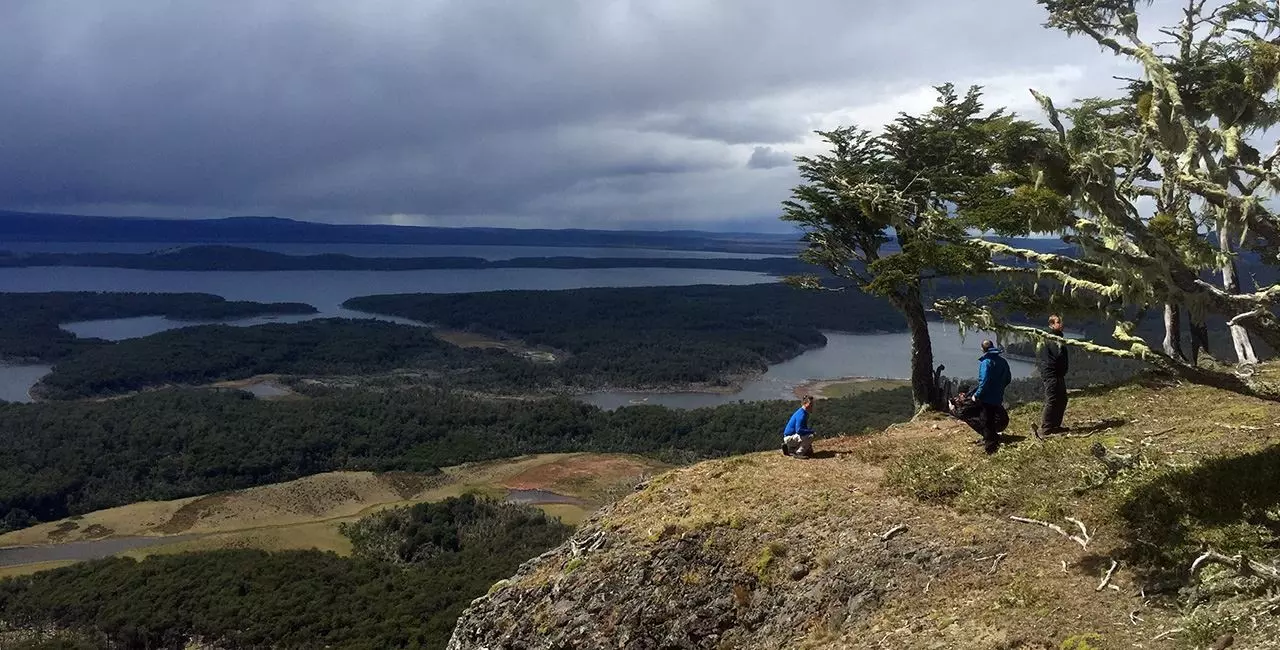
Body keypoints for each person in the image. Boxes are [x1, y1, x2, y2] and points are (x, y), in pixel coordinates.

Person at [971, 340, 1011, 454]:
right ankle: (991, 440)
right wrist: (1000, 388)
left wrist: (977, 394)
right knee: (993, 418)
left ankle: (990, 448)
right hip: (997, 395)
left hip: (986, 396)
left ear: (982, 349)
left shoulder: (986, 362)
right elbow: (1008, 378)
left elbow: (984, 381)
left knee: (986, 420)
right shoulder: (1002, 361)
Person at [1034, 314, 1070, 439]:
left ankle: (1055, 425)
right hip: (1051, 373)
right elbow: (1056, 356)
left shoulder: (1058, 338)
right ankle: (1046, 427)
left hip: (1058, 374)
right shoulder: (1051, 338)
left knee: (1062, 399)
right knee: (1052, 399)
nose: (1061, 324)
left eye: (1061, 322)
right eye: (1058, 322)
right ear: (1051, 325)